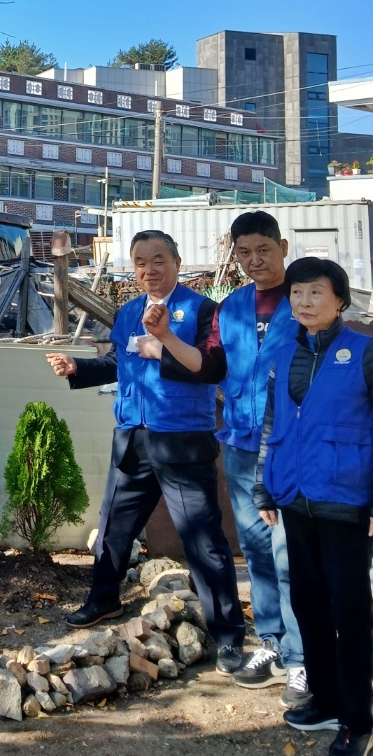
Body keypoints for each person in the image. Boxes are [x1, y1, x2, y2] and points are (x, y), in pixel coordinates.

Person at [45, 230, 246, 675]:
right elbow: (121, 363)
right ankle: (103, 600)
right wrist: (79, 368)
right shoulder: (130, 311)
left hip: (182, 440)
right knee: (114, 526)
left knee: (203, 540)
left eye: (158, 260)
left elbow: (212, 367)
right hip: (132, 437)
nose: (149, 269)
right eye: (140, 262)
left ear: (176, 262)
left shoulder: (201, 310)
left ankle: (229, 635)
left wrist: (163, 347)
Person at [144, 210, 307, 706]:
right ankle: (274, 646)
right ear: (234, 255)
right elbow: (210, 366)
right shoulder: (230, 308)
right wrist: (169, 338)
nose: (255, 260)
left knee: (290, 554)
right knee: (256, 551)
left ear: (282, 246)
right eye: (244, 253)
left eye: (263, 250)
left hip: (291, 447)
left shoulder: (305, 298)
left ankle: (303, 659)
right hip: (238, 443)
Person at [253, 258, 373, 756]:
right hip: (295, 502)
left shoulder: (365, 353)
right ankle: (323, 699)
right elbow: (270, 426)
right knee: (308, 604)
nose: (304, 302)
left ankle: (356, 718)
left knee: (351, 611)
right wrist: (263, 487)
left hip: (346, 501)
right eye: (297, 294)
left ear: (339, 299)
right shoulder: (285, 354)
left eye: (316, 293)